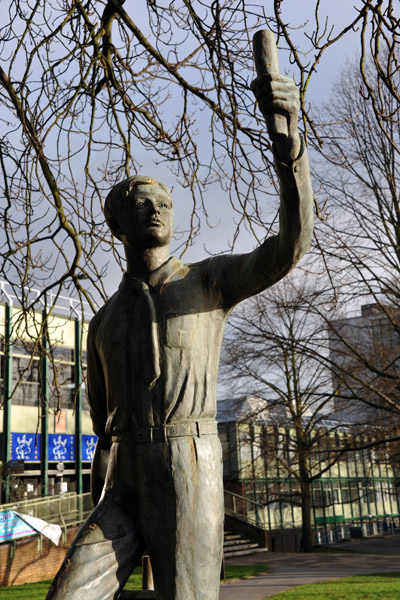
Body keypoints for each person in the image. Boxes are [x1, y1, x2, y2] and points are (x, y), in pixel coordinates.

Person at [46, 72, 313, 600]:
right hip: (121, 481)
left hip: (188, 466)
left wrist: (292, 153)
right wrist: (105, 487)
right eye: (141, 201)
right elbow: (103, 427)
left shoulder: (207, 283)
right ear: (116, 222)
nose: (157, 207)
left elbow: (291, 244)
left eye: (164, 202)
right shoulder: (102, 323)